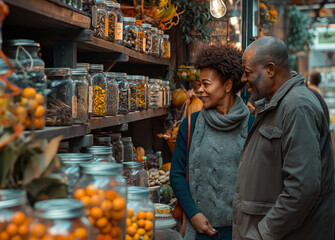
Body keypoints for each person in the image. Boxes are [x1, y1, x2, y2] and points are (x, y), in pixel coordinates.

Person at [233, 36, 335, 240]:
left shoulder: (297, 107)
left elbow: (302, 189)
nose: (243, 79)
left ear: (270, 70)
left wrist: (262, 233)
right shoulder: (278, 103)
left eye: (249, 72)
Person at [170, 44, 249, 240]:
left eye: (206, 84)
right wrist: (193, 214)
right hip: (199, 231)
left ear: (228, 85)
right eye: (199, 84)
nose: (200, 91)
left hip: (240, 232)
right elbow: (177, 174)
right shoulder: (190, 124)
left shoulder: (252, 126)